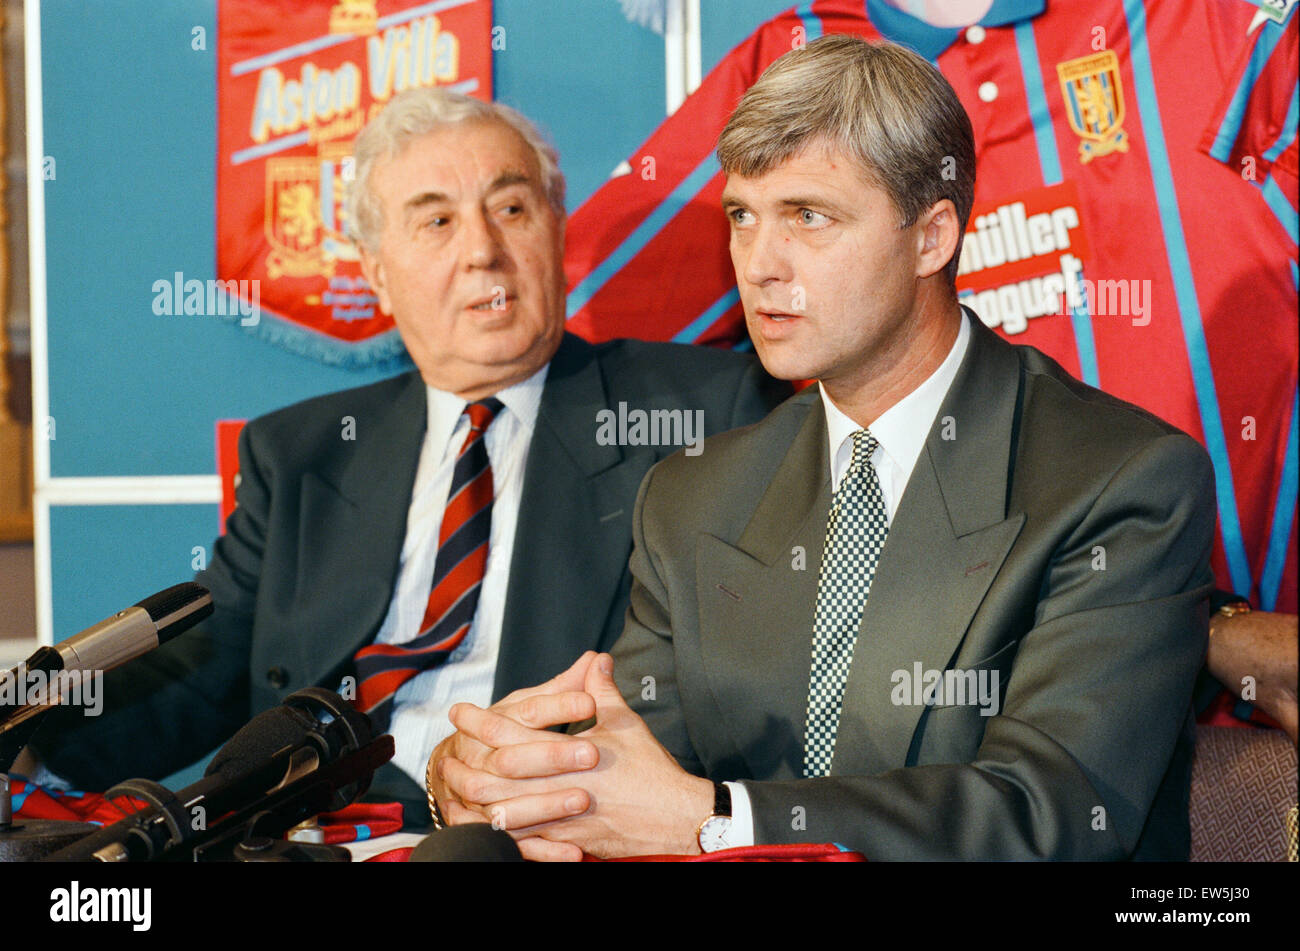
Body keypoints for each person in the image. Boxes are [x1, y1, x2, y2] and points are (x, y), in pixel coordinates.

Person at [429, 35, 1218, 860]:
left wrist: (720, 819)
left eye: (809, 216)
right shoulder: (693, 496)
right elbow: (635, 771)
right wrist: (511, 773)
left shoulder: (1122, 481)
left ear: (932, 237)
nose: (761, 265)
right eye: (743, 216)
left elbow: (1048, 817)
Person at [31, 88, 787, 825]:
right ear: (374, 271)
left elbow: (725, 685)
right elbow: (194, 674)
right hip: (315, 832)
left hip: (532, 826)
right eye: (436, 220)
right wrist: (27, 721)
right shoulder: (299, 454)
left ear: (557, 230)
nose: (483, 251)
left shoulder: (700, 413)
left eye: (513, 208)